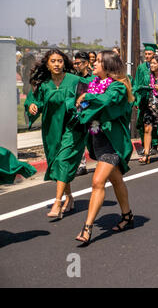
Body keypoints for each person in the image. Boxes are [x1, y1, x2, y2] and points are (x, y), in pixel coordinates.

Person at [74, 50, 135, 245]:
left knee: (97, 182)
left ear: (108, 66)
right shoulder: (94, 84)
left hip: (112, 144)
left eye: (98, 61)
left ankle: (87, 227)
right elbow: (80, 103)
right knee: (116, 180)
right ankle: (127, 216)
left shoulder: (117, 87)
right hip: (98, 141)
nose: (94, 64)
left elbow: (106, 101)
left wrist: (86, 97)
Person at [25, 49, 87, 219]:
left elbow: (89, 94)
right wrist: (32, 106)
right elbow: (33, 100)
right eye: (53, 61)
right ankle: (70, 197)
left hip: (72, 128)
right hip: (52, 129)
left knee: (62, 160)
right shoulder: (43, 84)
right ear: (47, 64)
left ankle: (57, 202)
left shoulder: (75, 80)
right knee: (59, 162)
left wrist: (81, 101)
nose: (57, 64)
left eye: (60, 61)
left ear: (64, 63)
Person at [135, 56, 158, 164]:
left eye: (154, 63)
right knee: (147, 128)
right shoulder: (147, 76)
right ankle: (146, 154)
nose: (151, 65)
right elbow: (139, 86)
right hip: (149, 105)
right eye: (151, 63)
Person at [133, 43, 158, 156]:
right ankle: (145, 145)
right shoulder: (141, 67)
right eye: (146, 54)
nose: (147, 56)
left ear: (154, 54)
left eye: (149, 54)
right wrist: (136, 99)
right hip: (143, 98)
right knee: (141, 122)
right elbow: (137, 83)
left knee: (154, 122)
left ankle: (154, 145)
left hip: (154, 99)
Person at [73, 51, 96, 176]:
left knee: (95, 137)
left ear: (86, 63)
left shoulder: (94, 78)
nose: (77, 65)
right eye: (75, 63)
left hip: (92, 113)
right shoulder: (73, 78)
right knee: (79, 138)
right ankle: (81, 165)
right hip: (78, 113)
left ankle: (101, 160)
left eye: (79, 63)